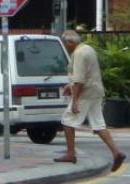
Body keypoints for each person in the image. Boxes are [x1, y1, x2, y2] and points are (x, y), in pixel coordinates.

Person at [54, 29, 126, 172]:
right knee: (98, 124)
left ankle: (70, 153)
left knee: (67, 121)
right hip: (96, 92)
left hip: (85, 94)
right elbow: (87, 74)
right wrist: (70, 85)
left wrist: (75, 100)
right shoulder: (88, 49)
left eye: (65, 43)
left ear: (70, 42)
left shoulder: (79, 54)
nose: (65, 46)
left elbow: (80, 80)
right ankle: (116, 152)